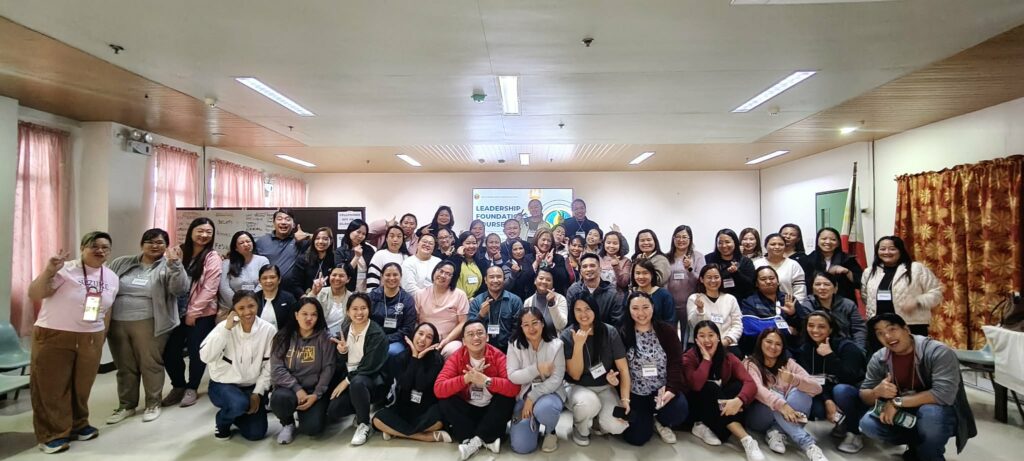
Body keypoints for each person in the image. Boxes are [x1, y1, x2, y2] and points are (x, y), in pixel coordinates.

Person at [28, 232, 119, 454]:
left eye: (105, 247)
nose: (100, 250)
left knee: (82, 386)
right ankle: (52, 434)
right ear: (82, 248)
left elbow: (107, 309)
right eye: (94, 246)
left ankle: (79, 424)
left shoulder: (111, 277)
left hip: (91, 336)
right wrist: (49, 270)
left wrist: (102, 334)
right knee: (51, 387)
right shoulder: (65, 269)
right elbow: (35, 293)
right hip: (54, 334)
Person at [859, 313, 977, 460]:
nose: (887, 336)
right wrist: (877, 392)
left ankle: (930, 455)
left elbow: (943, 394)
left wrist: (897, 402)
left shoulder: (937, 351)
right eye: (880, 333)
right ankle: (917, 446)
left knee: (930, 415)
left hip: (939, 412)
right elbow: (864, 394)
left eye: (892, 329)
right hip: (905, 414)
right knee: (868, 423)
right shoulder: (880, 358)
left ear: (906, 329)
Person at [107, 229, 189, 424]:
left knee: (150, 363)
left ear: (166, 246)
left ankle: (153, 403)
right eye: (150, 242)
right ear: (141, 244)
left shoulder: (168, 265)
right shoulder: (122, 263)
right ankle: (126, 405)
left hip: (151, 322)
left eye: (160, 242)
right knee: (124, 365)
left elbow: (180, 289)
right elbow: (106, 284)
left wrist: (176, 265)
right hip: (117, 322)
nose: (155, 246)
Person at [435, 320, 520, 460]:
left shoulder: (498, 356)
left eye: (480, 333)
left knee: (507, 398)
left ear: (487, 337)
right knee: (445, 399)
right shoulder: (457, 357)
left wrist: (487, 381)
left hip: (490, 410)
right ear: (463, 341)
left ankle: (472, 441)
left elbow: (514, 387)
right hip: (467, 410)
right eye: (470, 334)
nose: (476, 337)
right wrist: (466, 378)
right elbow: (438, 388)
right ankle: (487, 438)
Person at [199, 290, 276, 441]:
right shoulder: (223, 327)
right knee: (238, 403)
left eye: (251, 306)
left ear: (258, 306)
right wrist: (226, 329)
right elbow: (205, 357)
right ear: (234, 309)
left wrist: (258, 393)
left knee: (256, 434)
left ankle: (237, 413)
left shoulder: (268, 330)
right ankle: (222, 421)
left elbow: (269, 366)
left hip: (250, 387)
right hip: (223, 385)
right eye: (241, 308)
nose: (247, 312)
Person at [683, 321, 765, 461]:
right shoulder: (689, 357)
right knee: (710, 387)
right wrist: (707, 359)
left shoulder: (728, 357)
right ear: (696, 339)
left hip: (718, 409)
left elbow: (750, 383)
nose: (707, 340)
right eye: (702, 336)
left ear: (718, 337)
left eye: (711, 335)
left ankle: (706, 426)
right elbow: (696, 385)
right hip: (696, 407)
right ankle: (747, 440)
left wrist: (738, 400)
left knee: (738, 387)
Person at [163, 217, 222, 408]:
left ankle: (192, 387)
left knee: (197, 353)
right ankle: (178, 385)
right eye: (200, 231)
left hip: (202, 314)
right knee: (170, 352)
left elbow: (210, 288)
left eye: (208, 232)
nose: (204, 235)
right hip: (174, 311)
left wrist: (193, 312)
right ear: (191, 232)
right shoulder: (178, 251)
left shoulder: (212, 257)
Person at [742, 329, 827, 461]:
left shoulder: (789, 363)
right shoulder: (749, 363)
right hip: (759, 417)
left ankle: (776, 431)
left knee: (803, 392)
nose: (773, 347)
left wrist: (794, 379)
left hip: (786, 414)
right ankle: (808, 444)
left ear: (783, 347)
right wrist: (782, 405)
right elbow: (757, 389)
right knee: (776, 395)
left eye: (778, 344)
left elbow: (817, 388)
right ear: (760, 342)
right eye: (769, 342)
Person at [619, 292, 689, 446]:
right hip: (636, 392)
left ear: (653, 307)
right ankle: (650, 419)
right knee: (636, 437)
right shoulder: (623, 333)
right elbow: (619, 366)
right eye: (635, 308)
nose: (641, 313)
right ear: (628, 310)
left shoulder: (666, 331)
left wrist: (671, 389)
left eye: (645, 307)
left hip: (661, 390)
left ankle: (661, 420)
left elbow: (676, 362)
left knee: (678, 410)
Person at [561, 293, 631, 446]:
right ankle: (580, 428)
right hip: (577, 386)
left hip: (604, 386)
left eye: (587, 309)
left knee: (617, 426)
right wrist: (578, 345)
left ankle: (598, 421)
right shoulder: (567, 335)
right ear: (572, 312)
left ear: (595, 309)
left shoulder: (609, 332)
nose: (583, 314)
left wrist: (625, 399)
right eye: (578, 310)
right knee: (588, 404)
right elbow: (575, 375)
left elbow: (623, 369)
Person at [797, 311, 868, 454]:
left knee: (841, 391)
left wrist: (830, 355)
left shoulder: (847, 347)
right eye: (811, 325)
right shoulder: (806, 349)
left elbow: (850, 377)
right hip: (827, 393)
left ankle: (854, 432)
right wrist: (828, 400)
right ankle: (842, 422)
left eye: (821, 326)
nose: (815, 330)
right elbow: (811, 380)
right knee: (813, 405)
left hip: (854, 394)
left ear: (831, 329)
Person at [270, 297, 335, 444]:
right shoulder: (282, 336)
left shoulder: (325, 338)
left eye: (314, 314)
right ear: (296, 315)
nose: (309, 318)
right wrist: (297, 389)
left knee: (312, 429)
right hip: (289, 388)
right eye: (304, 314)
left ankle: (311, 413)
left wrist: (316, 394)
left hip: (313, 389)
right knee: (279, 399)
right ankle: (287, 424)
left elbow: (328, 368)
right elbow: (276, 369)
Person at [372, 322, 452, 443]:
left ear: (433, 342)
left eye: (429, 337)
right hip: (403, 408)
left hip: (425, 410)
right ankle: (424, 436)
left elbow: (421, 385)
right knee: (377, 420)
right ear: (414, 335)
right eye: (420, 333)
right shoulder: (400, 358)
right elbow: (405, 385)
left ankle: (397, 432)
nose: (423, 339)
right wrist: (414, 358)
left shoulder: (437, 360)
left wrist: (419, 360)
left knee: (440, 421)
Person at [327, 293, 390, 445]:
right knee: (334, 409)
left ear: (369, 310)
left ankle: (364, 423)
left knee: (357, 382)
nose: (359, 312)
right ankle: (360, 407)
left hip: (371, 379)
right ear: (348, 311)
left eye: (363, 308)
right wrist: (342, 352)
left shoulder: (376, 333)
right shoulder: (345, 329)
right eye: (354, 309)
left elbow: (370, 366)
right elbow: (342, 362)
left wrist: (346, 380)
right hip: (351, 378)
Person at [506, 306, 566, 453]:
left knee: (545, 409)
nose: (531, 328)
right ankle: (532, 423)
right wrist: (536, 369)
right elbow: (513, 376)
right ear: (521, 327)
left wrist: (532, 397)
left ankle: (550, 431)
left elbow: (557, 378)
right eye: (526, 325)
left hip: (550, 394)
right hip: (524, 396)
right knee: (522, 447)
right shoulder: (514, 345)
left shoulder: (556, 345)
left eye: (535, 323)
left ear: (542, 323)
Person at [862, 236, 943, 336]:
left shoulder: (916, 269)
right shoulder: (869, 272)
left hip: (911, 324)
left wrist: (917, 301)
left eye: (892, 249)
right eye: (882, 249)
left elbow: (936, 293)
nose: (887, 252)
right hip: (879, 326)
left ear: (900, 250)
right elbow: (865, 296)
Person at [740, 266, 810, 356]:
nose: (768, 281)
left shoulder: (788, 299)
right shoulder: (749, 302)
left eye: (772, 278)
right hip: (761, 351)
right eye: (763, 279)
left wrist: (792, 315)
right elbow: (751, 329)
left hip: (791, 348)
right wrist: (786, 329)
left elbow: (804, 325)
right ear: (756, 283)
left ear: (777, 281)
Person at [415, 260, 471, 356]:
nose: (443, 275)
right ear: (434, 271)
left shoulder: (460, 295)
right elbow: (415, 320)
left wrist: (447, 340)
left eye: (448, 274)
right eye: (441, 271)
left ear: (453, 278)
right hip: (425, 338)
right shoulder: (420, 294)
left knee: (452, 350)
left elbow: (463, 322)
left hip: (449, 340)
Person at [800, 272, 867, 349]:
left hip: (848, 347)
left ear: (835, 288)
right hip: (818, 348)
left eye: (827, 284)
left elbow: (858, 329)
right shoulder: (807, 306)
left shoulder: (848, 305)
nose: (822, 287)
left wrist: (859, 350)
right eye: (818, 284)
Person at [254, 208, 311, 298]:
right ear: (273, 223)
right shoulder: (261, 242)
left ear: (293, 225)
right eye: (279, 219)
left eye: (288, 219)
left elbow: (323, 239)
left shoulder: (301, 241)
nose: (283, 222)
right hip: (267, 291)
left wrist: (308, 236)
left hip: (294, 293)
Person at [367, 262, 418, 362]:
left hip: (397, 340)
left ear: (401, 276)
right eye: (388, 275)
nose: (391, 278)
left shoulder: (407, 299)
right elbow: (365, 320)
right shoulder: (372, 296)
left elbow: (407, 328)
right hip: (373, 337)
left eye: (395, 275)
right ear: (382, 277)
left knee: (391, 351)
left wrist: (385, 339)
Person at [687, 264, 743, 353]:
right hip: (701, 345)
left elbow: (737, 324)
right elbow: (693, 325)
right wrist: (699, 310)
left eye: (716, 277)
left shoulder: (730, 299)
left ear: (721, 278)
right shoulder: (694, 298)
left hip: (727, 344)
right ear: (701, 279)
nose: (713, 280)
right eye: (709, 277)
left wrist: (727, 340)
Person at [468, 265, 523, 352]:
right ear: (485, 280)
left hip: (509, 349)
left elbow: (517, 328)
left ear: (504, 279)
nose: (495, 280)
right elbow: (470, 329)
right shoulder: (477, 301)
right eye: (491, 277)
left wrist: (510, 348)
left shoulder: (515, 301)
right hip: (482, 349)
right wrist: (481, 315)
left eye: (499, 277)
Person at [800, 227, 862, 303]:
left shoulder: (848, 259)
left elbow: (860, 283)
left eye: (833, 239)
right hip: (815, 303)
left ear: (838, 243)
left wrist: (847, 271)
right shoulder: (808, 260)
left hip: (843, 303)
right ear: (817, 241)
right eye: (824, 239)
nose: (828, 242)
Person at [667, 225, 705, 345]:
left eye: (684, 237)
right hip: (670, 303)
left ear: (690, 239)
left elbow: (701, 280)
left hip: (690, 303)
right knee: (670, 336)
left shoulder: (698, 256)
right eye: (677, 237)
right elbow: (663, 280)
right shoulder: (666, 257)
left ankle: (685, 355)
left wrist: (689, 269)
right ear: (673, 239)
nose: (681, 240)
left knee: (687, 336)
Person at [566, 253, 625, 327]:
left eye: (592, 266)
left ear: (600, 269)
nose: (588, 269)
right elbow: (571, 320)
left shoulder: (614, 293)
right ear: (580, 271)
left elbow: (617, 324)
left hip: (606, 333)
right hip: (580, 332)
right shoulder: (573, 291)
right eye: (584, 266)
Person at [219, 231, 270, 309]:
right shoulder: (227, 263)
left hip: (255, 306)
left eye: (248, 241)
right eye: (241, 243)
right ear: (235, 248)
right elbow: (224, 288)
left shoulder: (262, 261)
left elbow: (263, 283)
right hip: (230, 307)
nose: (246, 244)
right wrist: (239, 304)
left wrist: (250, 303)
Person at [752, 233, 807, 301]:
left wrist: (795, 305)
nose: (777, 247)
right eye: (773, 244)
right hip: (759, 305)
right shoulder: (757, 264)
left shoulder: (793, 265)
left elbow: (800, 292)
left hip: (788, 304)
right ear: (765, 246)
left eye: (781, 244)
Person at [706, 229, 757, 300]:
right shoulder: (708, 259)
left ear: (735, 242)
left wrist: (736, 273)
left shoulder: (745, 261)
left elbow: (750, 286)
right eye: (720, 243)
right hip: (714, 300)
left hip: (740, 301)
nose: (724, 245)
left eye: (727, 242)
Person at [334, 219, 376, 293]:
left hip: (367, 291)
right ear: (350, 231)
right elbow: (342, 273)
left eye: (363, 234)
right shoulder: (340, 251)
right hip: (348, 292)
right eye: (358, 232)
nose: (360, 236)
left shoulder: (369, 250)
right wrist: (356, 257)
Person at [629, 258, 675, 323]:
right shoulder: (630, 294)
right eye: (638, 273)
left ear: (652, 274)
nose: (641, 277)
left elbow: (670, 321)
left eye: (645, 273)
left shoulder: (664, 295)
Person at [293, 227, 336, 297]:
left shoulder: (335, 259)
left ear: (331, 241)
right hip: (307, 297)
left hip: (329, 298)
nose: (321, 241)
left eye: (325, 239)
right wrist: (305, 298)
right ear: (313, 241)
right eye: (317, 238)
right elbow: (295, 284)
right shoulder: (303, 259)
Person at [253, 264, 297, 330]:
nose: (268, 281)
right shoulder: (254, 299)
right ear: (259, 281)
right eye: (264, 278)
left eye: (272, 277)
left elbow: (294, 323)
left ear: (279, 279)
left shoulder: (289, 298)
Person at [314, 264, 354, 336]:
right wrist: (313, 293)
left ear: (348, 279)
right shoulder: (320, 293)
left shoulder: (352, 298)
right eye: (334, 275)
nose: (337, 278)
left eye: (341, 276)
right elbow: (304, 308)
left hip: (343, 337)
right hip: (319, 336)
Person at [367, 225, 410, 290]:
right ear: (386, 239)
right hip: (382, 295)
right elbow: (372, 279)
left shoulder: (406, 257)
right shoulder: (379, 255)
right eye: (392, 236)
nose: (395, 239)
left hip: (402, 294)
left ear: (402, 240)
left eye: (399, 236)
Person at [532, 229, 570, 294]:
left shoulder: (559, 258)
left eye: (549, 241)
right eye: (543, 240)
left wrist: (550, 264)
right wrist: (536, 262)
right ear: (537, 240)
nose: (546, 243)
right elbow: (524, 279)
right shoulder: (528, 258)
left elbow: (564, 279)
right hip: (532, 295)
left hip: (555, 294)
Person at [453, 232, 486, 298]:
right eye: (468, 243)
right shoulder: (453, 260)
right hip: (456, 299)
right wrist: (459, 256)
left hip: (475, 300)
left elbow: (484, 284)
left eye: (474, 243)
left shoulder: (481, 262)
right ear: (461, 245)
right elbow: (453, 277)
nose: (471, 246)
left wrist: (474, 298)